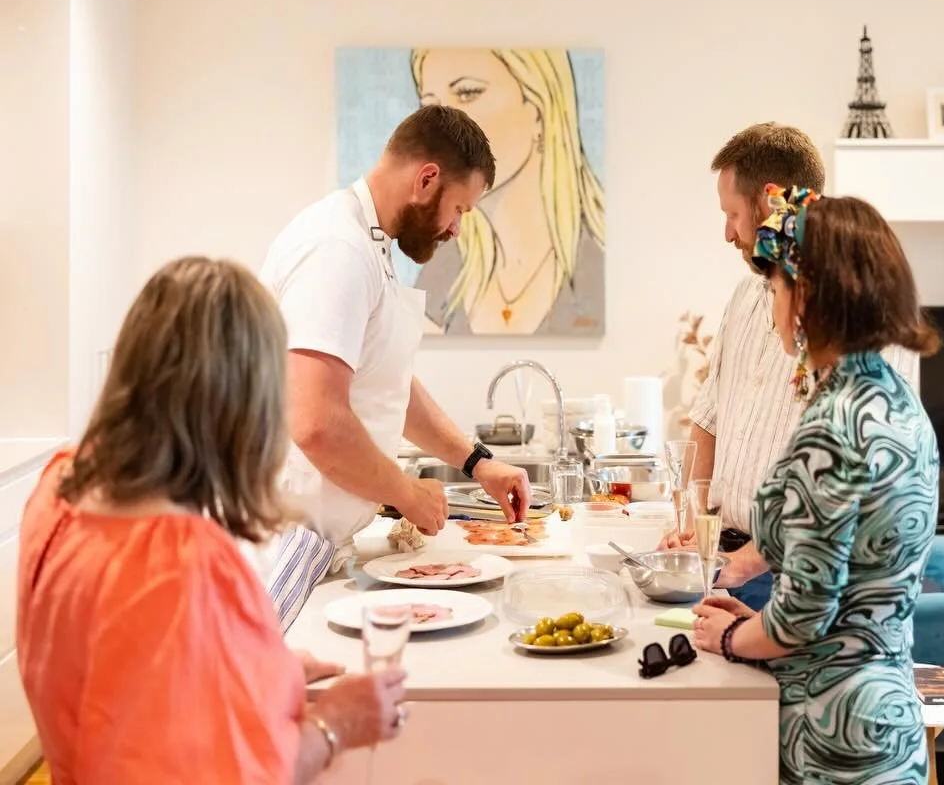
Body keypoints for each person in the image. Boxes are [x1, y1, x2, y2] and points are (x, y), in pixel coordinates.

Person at [18, 257, 408, 782]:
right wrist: (337, 722)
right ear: (245, 404)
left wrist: (266, 673)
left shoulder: (59, 490)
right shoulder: (191, 566)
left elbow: (138, 682)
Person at [689, 186, 940, 785]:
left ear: (803, 297)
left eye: (774, 287)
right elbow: (848, 539)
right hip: (888, 720)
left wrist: (728, 636)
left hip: (830, 730)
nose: (770, 301)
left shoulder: (831, 426)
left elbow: (801, 619)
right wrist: (750, 567)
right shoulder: (893, 400)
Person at [259, 104, 531, 623]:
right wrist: (407, 493)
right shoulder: (336, 249)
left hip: (316, 545)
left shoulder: (369, 245)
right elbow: (315, 422)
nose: (454, 229)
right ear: (427, 178)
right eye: (459, 210)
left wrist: (477, 462)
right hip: (285, 546)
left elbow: (388, 385)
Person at [662, 123, 919, 611]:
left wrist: (753, 583)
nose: (727, 233)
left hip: (795, 577)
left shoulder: (862, 346)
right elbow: (710, 417)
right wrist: (693, 522)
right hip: (733, 559)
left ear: (769, 203)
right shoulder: (744, 296)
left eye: (732, 214)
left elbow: (858, 496)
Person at [411, 47, 605, 335]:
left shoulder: (598, 268)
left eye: (467, 93)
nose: (442, 130)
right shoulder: (442, 274)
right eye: (431, 108)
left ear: (539, 110)